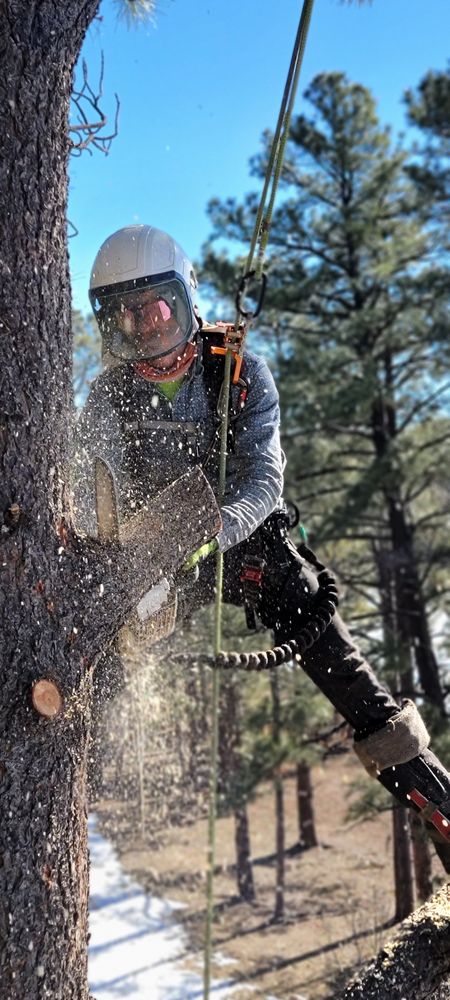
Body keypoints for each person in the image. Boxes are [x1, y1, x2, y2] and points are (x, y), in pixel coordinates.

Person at [75, 224, 450, 871]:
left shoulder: (240, 368)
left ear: (186, 301)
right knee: (104, 660)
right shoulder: (110, 394)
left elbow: (263, 480)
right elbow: (90, 487)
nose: (144, 335)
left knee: (336, 656)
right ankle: (64, 781)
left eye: (157, 313)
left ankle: (437, 805)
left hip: (244, 543)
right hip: (157, 560)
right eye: (123, 320)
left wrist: (209, 533)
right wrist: (128, 562)